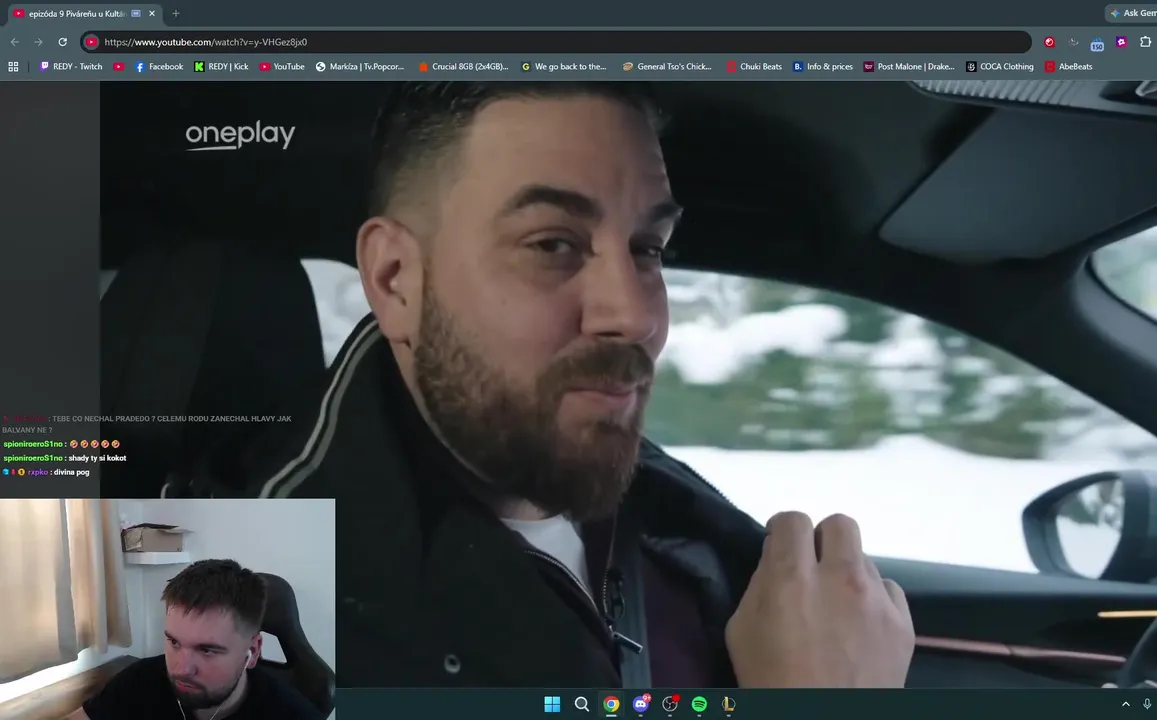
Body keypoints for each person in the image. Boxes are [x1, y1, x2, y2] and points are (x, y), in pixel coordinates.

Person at [185, 81, 915, 688]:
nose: (635, 315)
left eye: (648, 248)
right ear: (396, 279)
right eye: (553, 244)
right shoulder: (267, 625)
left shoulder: (658, 515)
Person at [67, 559, 323, 720]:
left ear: (253, 651)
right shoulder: (139, 682)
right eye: (174, 642)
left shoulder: (292, 713)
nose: (182, 669)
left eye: (207, 650)